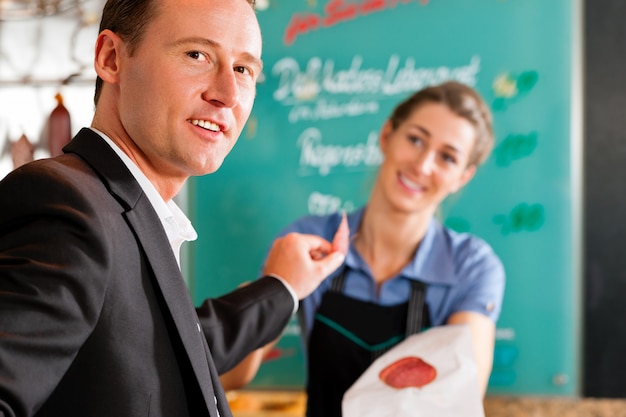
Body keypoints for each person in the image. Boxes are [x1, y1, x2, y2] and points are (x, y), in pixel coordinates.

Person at [0, 0, 348, 416]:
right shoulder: (66, 206)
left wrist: (282, 288)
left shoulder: (125, 209)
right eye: (196, 55)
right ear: (112, 59)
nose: (227, 95)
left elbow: (160, 357)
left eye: (243, 69)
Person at [222, 81, 506, 417]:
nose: (423, 165)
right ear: (387, 136)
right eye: (415, 140)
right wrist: (269, 290)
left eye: (447, 157)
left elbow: (458, 398)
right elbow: (229, 375)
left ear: (462, 176)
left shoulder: (471, 266)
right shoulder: (309, 239)